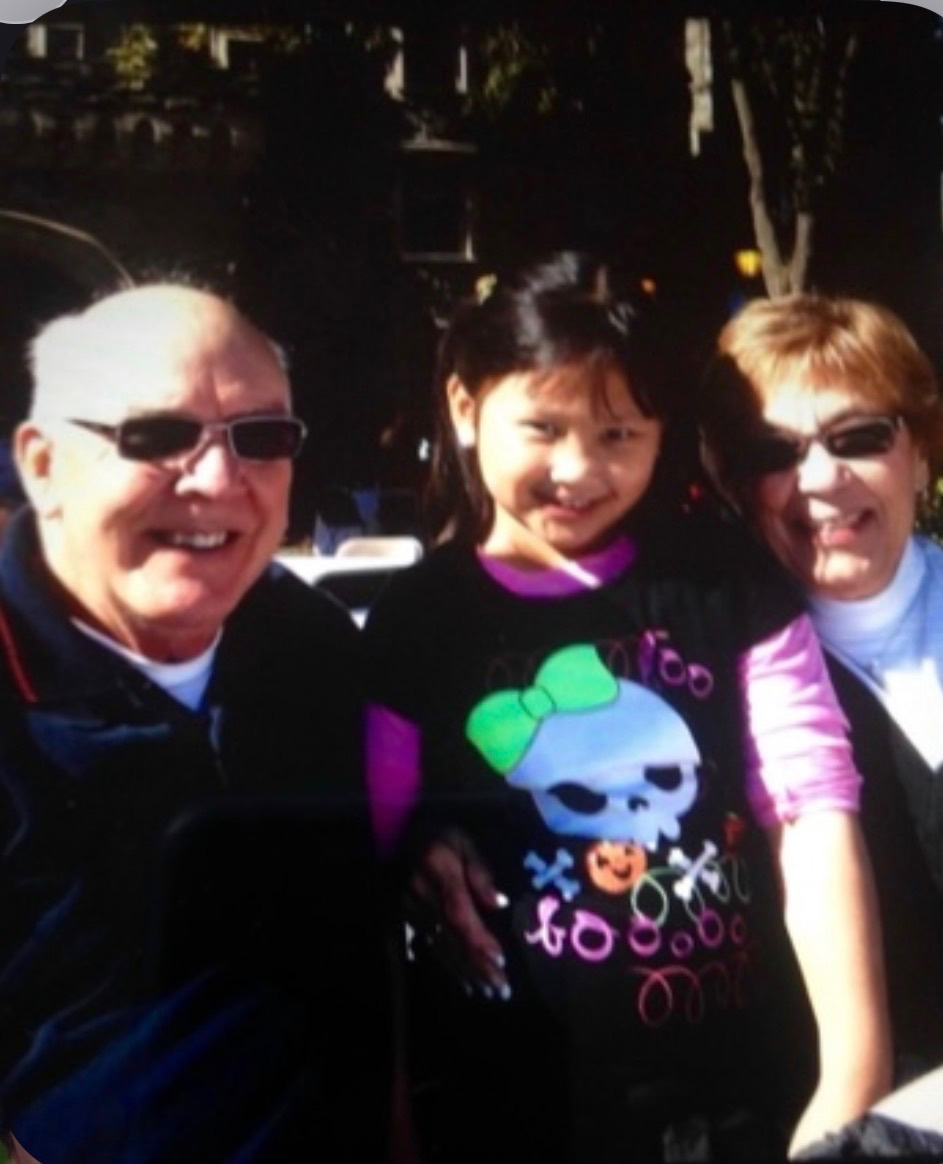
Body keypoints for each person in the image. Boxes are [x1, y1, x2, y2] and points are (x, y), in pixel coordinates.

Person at [362, 253, 891, 1164]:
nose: (578, 468)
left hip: (731, 1103)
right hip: (498, 1108)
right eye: (541, 426)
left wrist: (852, 1074)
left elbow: (810, 810)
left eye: (618, 434)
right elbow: (367, 864)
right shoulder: (417, 622)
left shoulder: (722, 584)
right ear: (463, 407)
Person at [0, 285, 388, 1163]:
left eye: (261, 439)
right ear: (44, 465)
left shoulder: (311, 648)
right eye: (157, 435)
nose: (217, 480)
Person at [698, 293, 943, 1117]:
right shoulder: (690, 670)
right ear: (729, 481)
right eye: (774, 450)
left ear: (920, 451)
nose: (820, 479)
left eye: (860, 437)